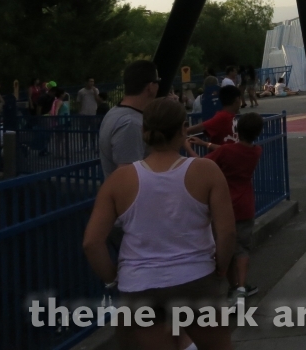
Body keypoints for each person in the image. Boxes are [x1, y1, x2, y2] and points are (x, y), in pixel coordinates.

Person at [82, 98, 235, 350]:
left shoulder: (120, 180)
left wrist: (114, 280)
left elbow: (91, 243)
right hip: (195, 279)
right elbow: (227, 233)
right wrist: (220, 268)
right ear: (184, 128)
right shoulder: (206, 171)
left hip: (140, 287)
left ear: (144, 131)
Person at [196, 111, 264, 303]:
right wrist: (208, 144)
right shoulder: (256, 151)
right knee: (242, 248)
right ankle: (242, 287)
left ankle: (232, 287)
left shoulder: (226, 152)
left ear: (237, 130)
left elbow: (203, 164)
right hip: (246, 204)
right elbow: (234, 150)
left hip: (225, 205)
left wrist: (193, 147)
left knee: (225, 248)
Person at [100, 60, 160, 178]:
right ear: (150, 87)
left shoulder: (114, 112)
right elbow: (127, 177)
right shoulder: (130, 124)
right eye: (158, 81)